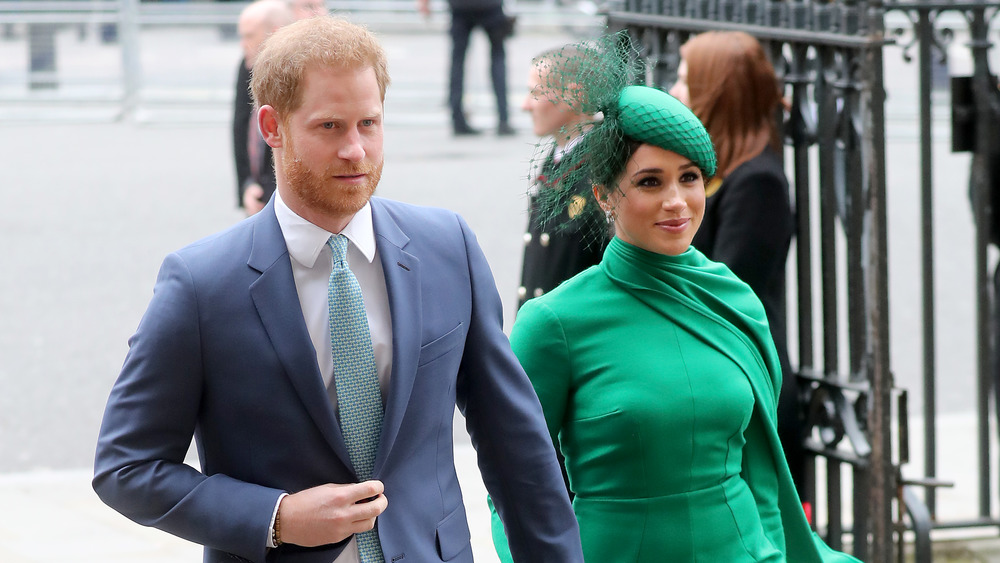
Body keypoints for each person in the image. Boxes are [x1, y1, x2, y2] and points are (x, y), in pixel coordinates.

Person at [94, 16, 583, 563]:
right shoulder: (201, 284)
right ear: (271, 127)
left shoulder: (448, 248)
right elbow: (125, 467)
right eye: (330, 127)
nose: (356, 149)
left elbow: (515, 442)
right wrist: (274, 518)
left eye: (369, 123)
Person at [490, 32, 860, 562]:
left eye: (689, 178)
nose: (676, 202)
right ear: (603, 194)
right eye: (649, 182)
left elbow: (762, 472)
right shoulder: (554, 322)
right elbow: (513, 482)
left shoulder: (734, 300)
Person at [668, 30, 807, 511]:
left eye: (686, 80)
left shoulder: (759, 181)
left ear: (717, 90)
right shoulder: (715, 171)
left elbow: (723, 292)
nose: (674, 91)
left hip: (743, 386)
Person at [516, 44, 606, 310]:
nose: (525, 105)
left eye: (535, 93)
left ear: (573, 96)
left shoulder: (599, 169)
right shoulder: (557, 158)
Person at [233, 0, 295, 216]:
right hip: (258, 192)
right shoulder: (247, 64)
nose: (243, 44)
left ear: (274, 33)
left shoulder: (303, 73)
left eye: (249, 36)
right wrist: (246, 186)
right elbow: (240, 127)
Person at [417, 0, 514, 136]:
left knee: (457, 63)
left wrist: (424, 3)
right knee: (498, 57)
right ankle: (503, 119)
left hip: (460, 6)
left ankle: (457, 120)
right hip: (490, 6)